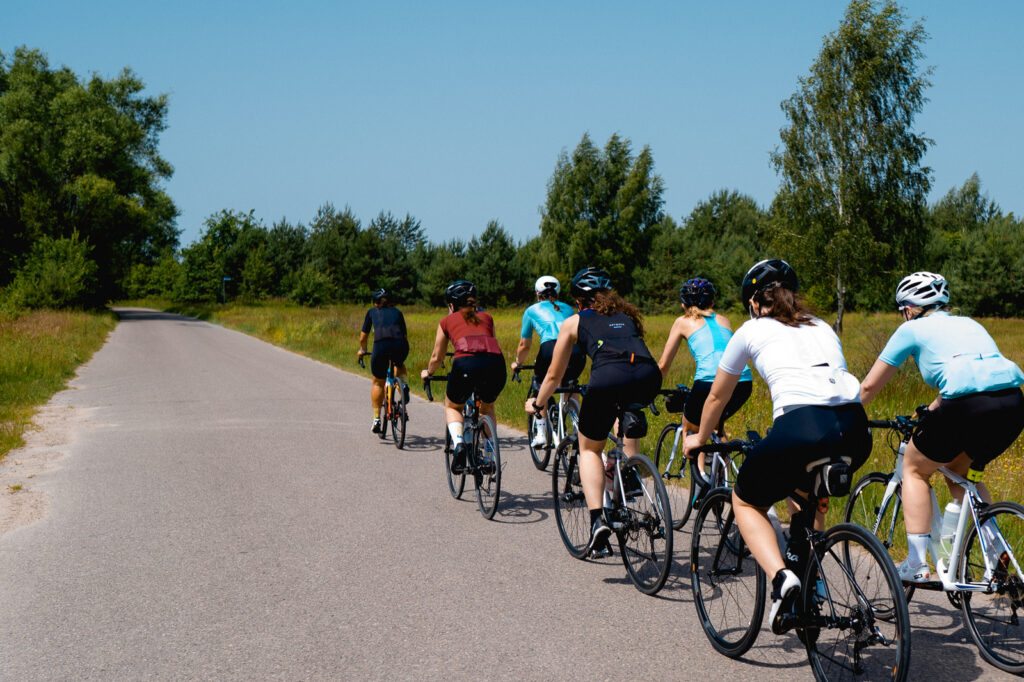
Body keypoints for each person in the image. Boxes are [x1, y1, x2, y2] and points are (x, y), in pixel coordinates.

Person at [682, 259, 871, 634]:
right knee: (805, 495)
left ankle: (782, 579)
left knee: (747, 501)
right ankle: (811, 587)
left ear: (754, 302)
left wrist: (699, 439)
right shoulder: (821, 325)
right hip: (853, 427)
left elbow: (718, 396)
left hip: (800, 426)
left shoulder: (751, 330)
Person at [860, 271, 1024, 583]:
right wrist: (931, 411)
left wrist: (848, 415)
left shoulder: (912, 329)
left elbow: (869, 388)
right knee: (959, 474)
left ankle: (916, 563)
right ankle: (996, 550)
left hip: (966, 406)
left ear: (909, 308)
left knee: (915, 470)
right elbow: (973, 376)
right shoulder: (970, 324)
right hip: (1013, 403)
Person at [525, 267, 661, 554]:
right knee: (620, 415)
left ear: (578, 301)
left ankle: (598, 519)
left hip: (608, 377)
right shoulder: (627, 317)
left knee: (588, 448)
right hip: (649, 376)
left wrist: (537, 404)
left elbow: (552, 376)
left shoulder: (575, 321)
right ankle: (627, 469)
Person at [657, 277, 753, 496]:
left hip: (710, 379)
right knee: (717, 423)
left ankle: (701, 477)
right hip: (743, 380)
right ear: (712, 302)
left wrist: (651, 387)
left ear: (684, 304)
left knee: (691, 424)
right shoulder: (724, 319)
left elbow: (663, 365)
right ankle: (726, 478)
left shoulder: (682, 321)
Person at [421, 281, 507, 474]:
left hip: (465, 363)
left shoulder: (446, 321)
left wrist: (429, 372)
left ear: (451, 305)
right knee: (487, 406)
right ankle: (490, 456)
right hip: (496, 365)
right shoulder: (487, 317)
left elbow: (437, 356)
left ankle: (459, 443)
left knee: (453, 405)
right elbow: (491, 344)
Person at [511, 275, 586, 447]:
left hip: (550, 348)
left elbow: (524, 344)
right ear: (557, 293)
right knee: (571, 385)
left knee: (541, 383)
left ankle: (541, 433)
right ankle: (579, 429)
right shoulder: (567, 308)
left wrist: (518, 363)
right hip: (576, 349)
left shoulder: (531, 310)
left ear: (538, 294)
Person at [358, 287, 409, 433]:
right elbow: (404, 336)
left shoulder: (372, 312)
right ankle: (404, 385)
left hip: (381, 346)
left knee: (378, 382)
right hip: (400, 345)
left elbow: (363, 337)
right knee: (399, 365)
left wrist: (363, 350)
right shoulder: (398, 312)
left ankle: (376, 419)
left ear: (375, 302)